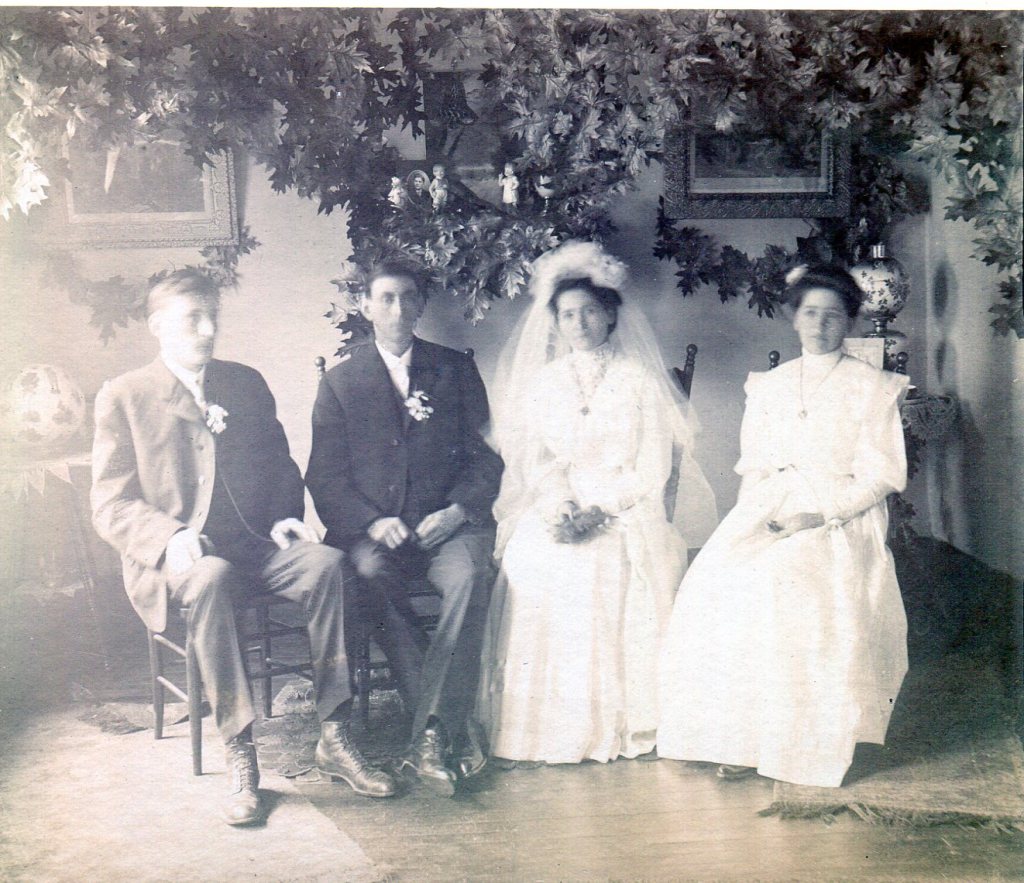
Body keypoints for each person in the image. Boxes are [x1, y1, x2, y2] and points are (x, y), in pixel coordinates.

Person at [91, 270, 397, 828]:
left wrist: (285, 516)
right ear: (158, 327)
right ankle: (241, 748)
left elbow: (281, 466)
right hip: (186, 560)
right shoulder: (125, 395)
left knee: (328, 565)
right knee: (209, 580)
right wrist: (169, 537)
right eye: (193, 319)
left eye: (213, 318)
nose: (208, 330)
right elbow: (110, 504)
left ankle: (335, 731)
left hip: (257, 546)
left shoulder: (245, 383)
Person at [657, 264, 910, 788]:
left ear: (850, 323)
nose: (820, 326)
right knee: (716, 579)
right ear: (794, 318)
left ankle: (798, 742)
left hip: (842, 511)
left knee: (787, 581)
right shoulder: (769, 385)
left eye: (834, 316)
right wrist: (750, 525)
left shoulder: (873, 388)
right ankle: (737, 739)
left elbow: (882, 474)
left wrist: (822, 515)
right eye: (810, 313)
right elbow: (755, 468)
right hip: (772, 504)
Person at [477, 241, 717, 765]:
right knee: (532, 562)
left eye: (590, 311)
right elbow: (537, 462)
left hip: (626, 507)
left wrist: (600, 509)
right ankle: (543, 728)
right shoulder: (545, 383)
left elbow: (652, 468)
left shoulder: (641, 382)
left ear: (610, 314)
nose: (580, 322)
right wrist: (559, 505)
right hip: (563, 508)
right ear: (555, 324)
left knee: (604, 566)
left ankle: (619, 723)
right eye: (568, 314)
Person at [306, 260, 503, 797]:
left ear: (420, 306)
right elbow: (324, 479)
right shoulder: (340, 383)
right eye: (385, 298)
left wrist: (459, 512)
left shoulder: (455, 370)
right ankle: (436, 727)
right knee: (367, 573)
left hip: (448, 528)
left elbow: (487, 460)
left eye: (407, 298)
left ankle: (430, 734)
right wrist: (373, 521)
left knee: (469, 579)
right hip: (377, 538)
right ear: (365, 306)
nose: (397, 309)